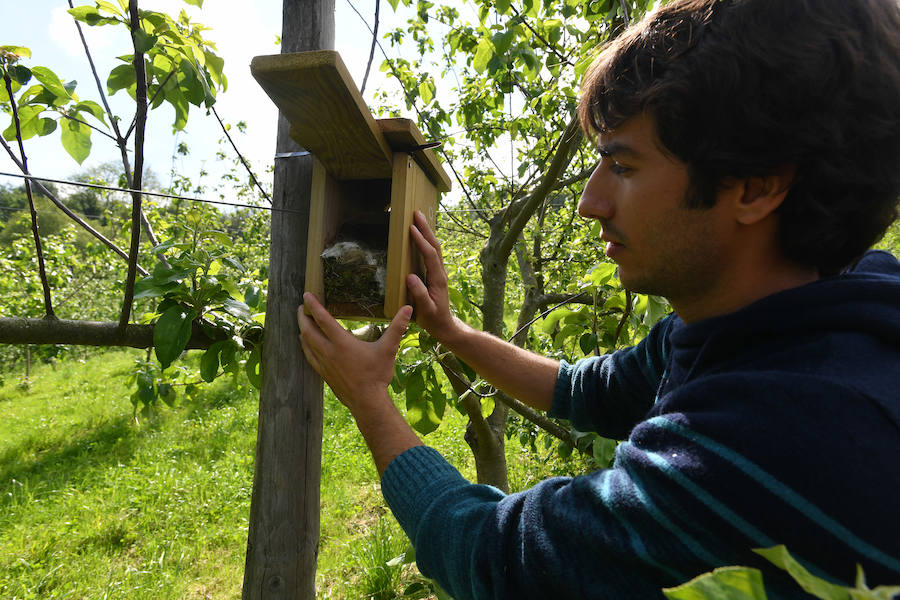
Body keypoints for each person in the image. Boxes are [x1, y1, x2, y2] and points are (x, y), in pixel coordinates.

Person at [297, 0, 900, 597]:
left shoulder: (759, 444)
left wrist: (369, 399)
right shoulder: (782, 316)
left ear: (756, 188)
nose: (589, 202)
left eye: (624, 166)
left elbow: (493, 557)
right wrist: (452, 332)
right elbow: (592, 390)